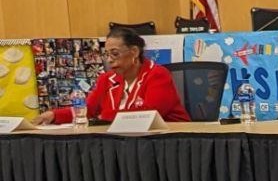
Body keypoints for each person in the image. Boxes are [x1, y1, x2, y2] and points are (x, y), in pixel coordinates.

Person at [33, 27, 190, 124]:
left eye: (115, 53)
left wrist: (104, 117)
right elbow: (88, 110)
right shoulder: (106, 79)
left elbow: (148, 116)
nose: (109, 60)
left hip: (169, 141)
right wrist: (53, 115)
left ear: (134, 52)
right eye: (106, 54)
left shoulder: (157, 75)